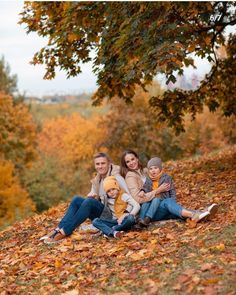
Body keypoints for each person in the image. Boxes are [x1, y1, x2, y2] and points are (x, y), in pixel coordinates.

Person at [42, 152, 129, 244]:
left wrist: (126, 214)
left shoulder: (116, 177)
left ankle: (65, 231)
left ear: (109, 164)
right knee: (76, 199)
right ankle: (59, 228)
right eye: (97, 164)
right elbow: (96, 198)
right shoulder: (97, 179)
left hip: (115, 215)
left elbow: (128, 196)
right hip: (104, 213)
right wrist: (93, 195)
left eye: (103, 163)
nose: (100, 166)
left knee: (89, 202)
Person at [120, 150, 218, 225]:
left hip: (157, 204)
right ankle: (195, 215)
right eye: (128, 162)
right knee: (168, 203)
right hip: (147, 212)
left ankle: (203, 214)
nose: (131, 163)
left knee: (175, 209)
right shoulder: (130, 176)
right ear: (126, 165)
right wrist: (158, 190)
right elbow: (138, 198)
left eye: (132, 159)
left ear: (137, 158)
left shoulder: (145, 171)